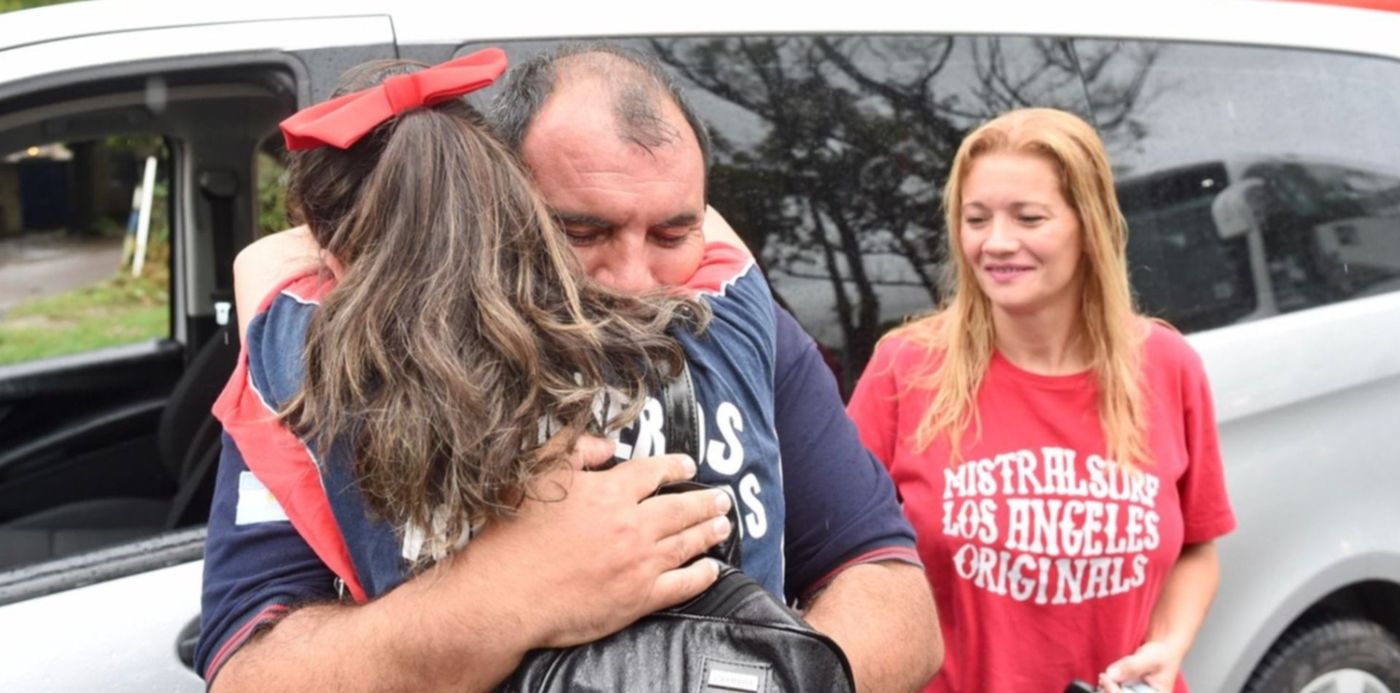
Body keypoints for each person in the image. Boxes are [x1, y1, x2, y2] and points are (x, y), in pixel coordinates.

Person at [199, 45, 941, 692]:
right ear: (497, 207)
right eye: (583, 230)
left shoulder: (741, 321)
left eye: (674, 230)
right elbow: (251, 672)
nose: (636, 278)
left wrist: (748, 678)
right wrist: (499, 595)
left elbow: (896, 600)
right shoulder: (337, 355)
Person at [847, 107, 1235, 692]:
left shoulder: (1165, 365)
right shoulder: (907, 368)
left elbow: (1196, 549)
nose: (997, 243)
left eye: (1029, 218)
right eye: (976, 219)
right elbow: (832, 557)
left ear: (1090, 224)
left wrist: (1167, 646)